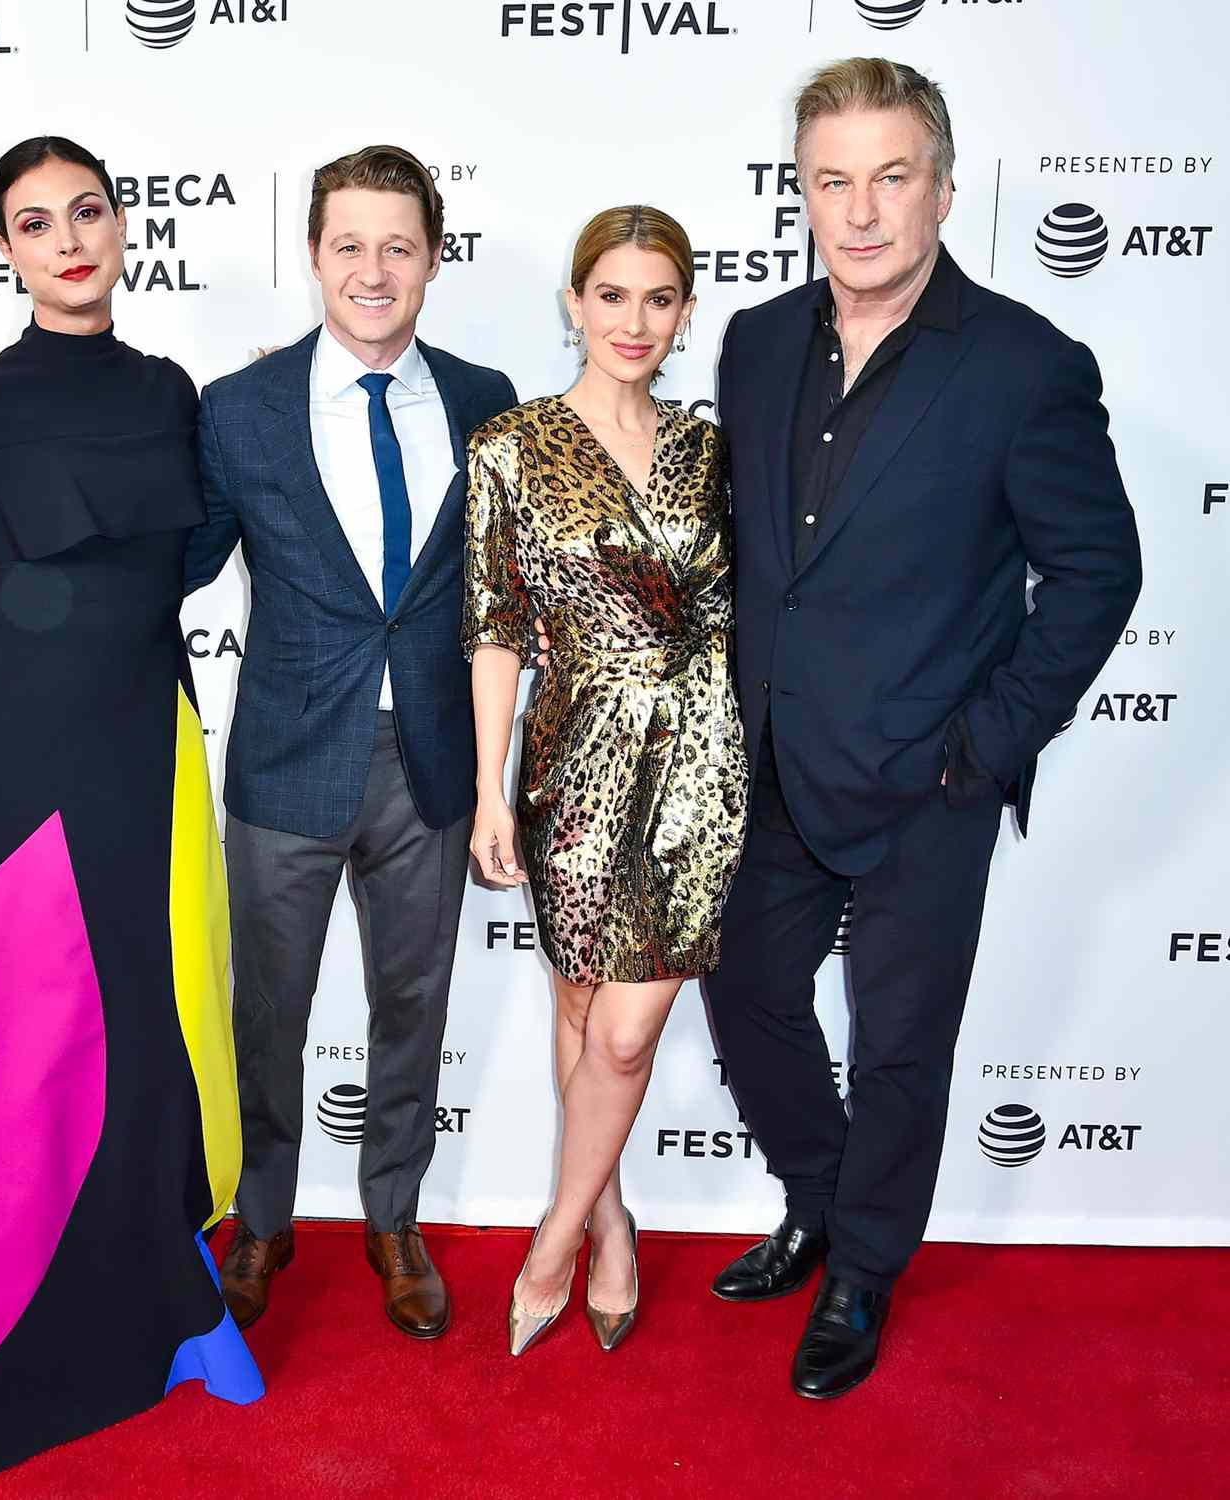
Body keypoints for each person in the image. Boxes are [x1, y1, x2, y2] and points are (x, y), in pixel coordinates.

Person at [701, 59, 1142, 1398]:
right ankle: (827, 1196)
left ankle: (862, 1272)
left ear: (944, 187)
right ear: (803, 194)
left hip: (926, 780)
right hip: (775, 759)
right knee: (749, 994)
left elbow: (1098, 573)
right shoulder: (757, 341)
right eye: (833, 180)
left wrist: (986, 743)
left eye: (892, 177)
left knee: (900, 1042)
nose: (863, 210)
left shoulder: (1023, 368)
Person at [0, 136, 262, 1474]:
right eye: (36, 223)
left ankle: (176, 1302)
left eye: (86, 211)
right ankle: (21, 1333)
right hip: (1, 770)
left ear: (117, 223)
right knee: (20, 1052)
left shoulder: (170, 395)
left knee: (150, 1039)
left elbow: (195, 559)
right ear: (9, 251)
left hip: (143, 756)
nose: (69, 239)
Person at [183, 145, 516, 1340]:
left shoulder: (488, 400)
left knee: (412, 1005)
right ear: (313, 255)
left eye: (398, 246)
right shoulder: (237, 410)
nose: (372, 271)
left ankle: (393, 1217)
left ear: (432, 258)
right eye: (348, 246)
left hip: (427, 763)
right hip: (285, 762)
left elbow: (507, 594)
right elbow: (175, 567)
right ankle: (263, 1221)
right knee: (268, 1010)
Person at [466, 206, 749, 1357]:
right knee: (582, 1007)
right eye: (614, 295)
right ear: (575, 302)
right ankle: (616, 1218)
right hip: (574, 755)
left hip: (704, 755)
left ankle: (553, 1237)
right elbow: (492, 627)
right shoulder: (511, 444)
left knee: (626, 1032)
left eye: (661, 297)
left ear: (685, 312)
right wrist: (490, 789)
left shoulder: (708, 450)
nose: (636, 321)